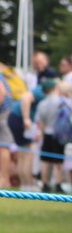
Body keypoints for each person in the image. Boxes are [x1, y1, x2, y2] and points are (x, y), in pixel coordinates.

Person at [1, 60, 35, 190]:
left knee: (4, 147)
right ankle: (20, 182)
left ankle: (5, 180)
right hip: (9, 114)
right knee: (18, 152)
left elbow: (2, 93)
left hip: (4, 114)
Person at [34, 78, 67, 193]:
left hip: (47, 134)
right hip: (58, 135)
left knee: (45, 160)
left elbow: (40, 122)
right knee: (58, 161)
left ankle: (44, 183)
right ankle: (58, 183)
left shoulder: (41, 104)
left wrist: (41, 133)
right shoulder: (61, 101)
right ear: (54, 88)